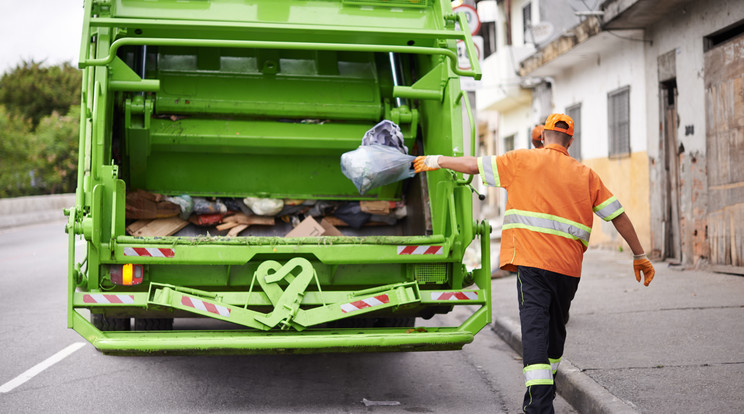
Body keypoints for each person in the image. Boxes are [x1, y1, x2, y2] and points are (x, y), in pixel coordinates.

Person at [414, 113, 655, 413]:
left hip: (532, 264)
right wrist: (639, 254)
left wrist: (437, 160)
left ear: (542, 137)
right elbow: (617, 214)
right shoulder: (587, 175)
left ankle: (539, 406)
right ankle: (543, 394)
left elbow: (472, 165)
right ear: (570, 141)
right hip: (568, 270)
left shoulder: (520, 161)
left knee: (535, 332)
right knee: (555, 330)